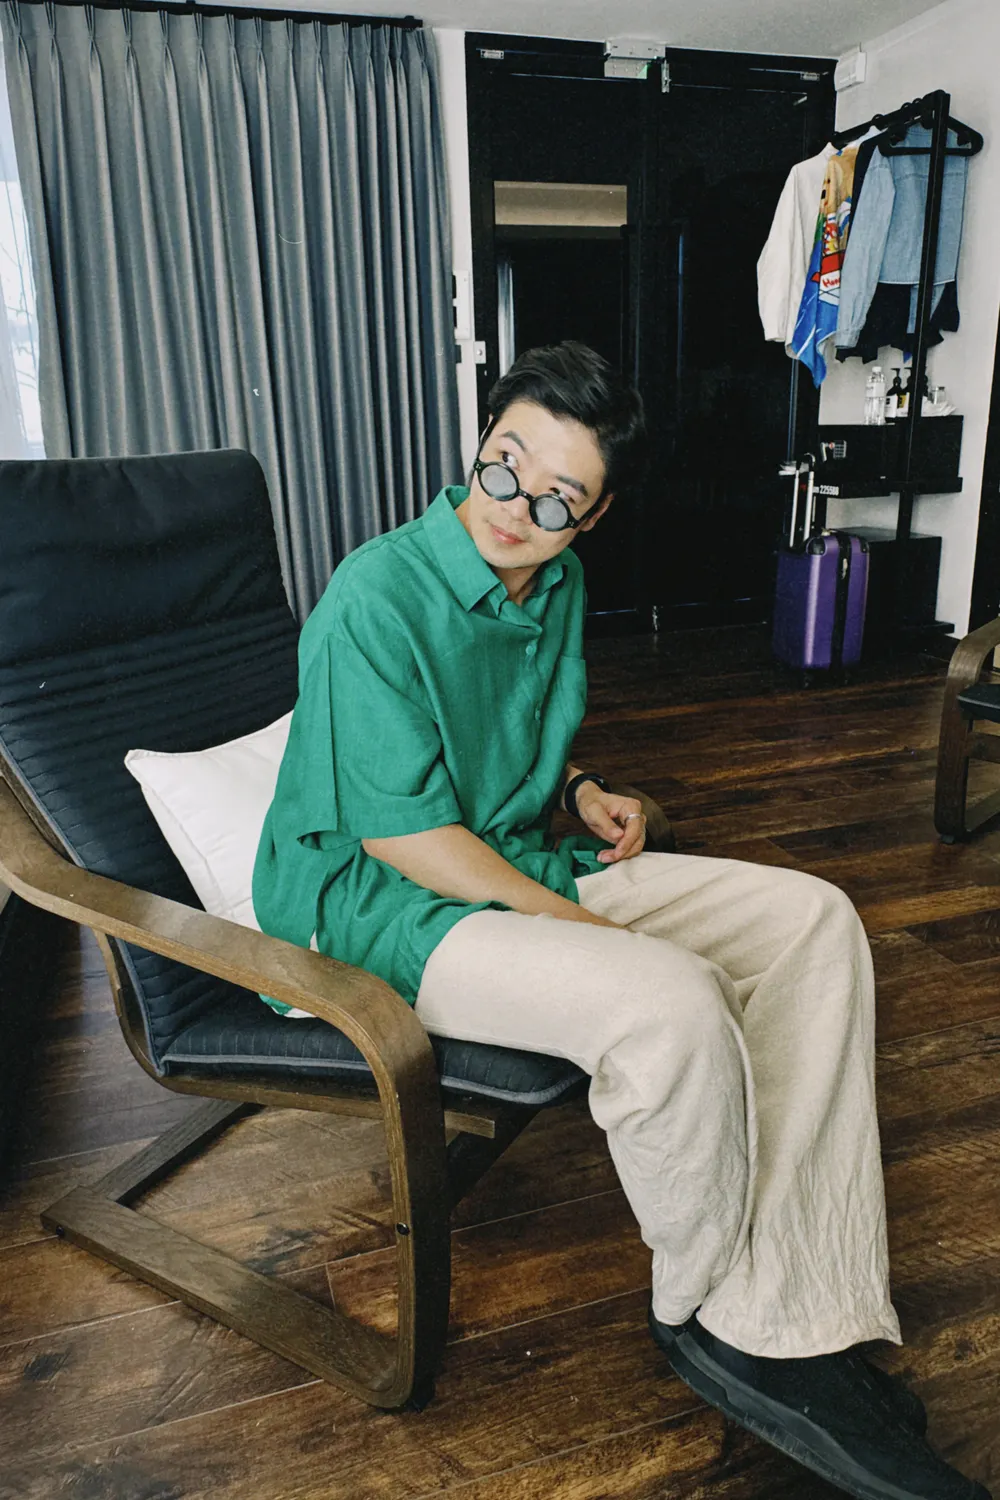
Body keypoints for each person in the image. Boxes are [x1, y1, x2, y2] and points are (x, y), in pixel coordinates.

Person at [253, 341, 989, 1500]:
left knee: (815, 921)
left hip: (509, 857)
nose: (516, 509)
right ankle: (710, 1310)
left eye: (559, 499)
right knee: (668, 1000)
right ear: (480, 443)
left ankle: (793, 1300)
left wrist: (583, 787)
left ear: (592, 518)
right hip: (382, 908)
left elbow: (501, 741)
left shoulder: (552, 586)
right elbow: (405, 837)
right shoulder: (373, 595)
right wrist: (578, 925)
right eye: (504, 466)